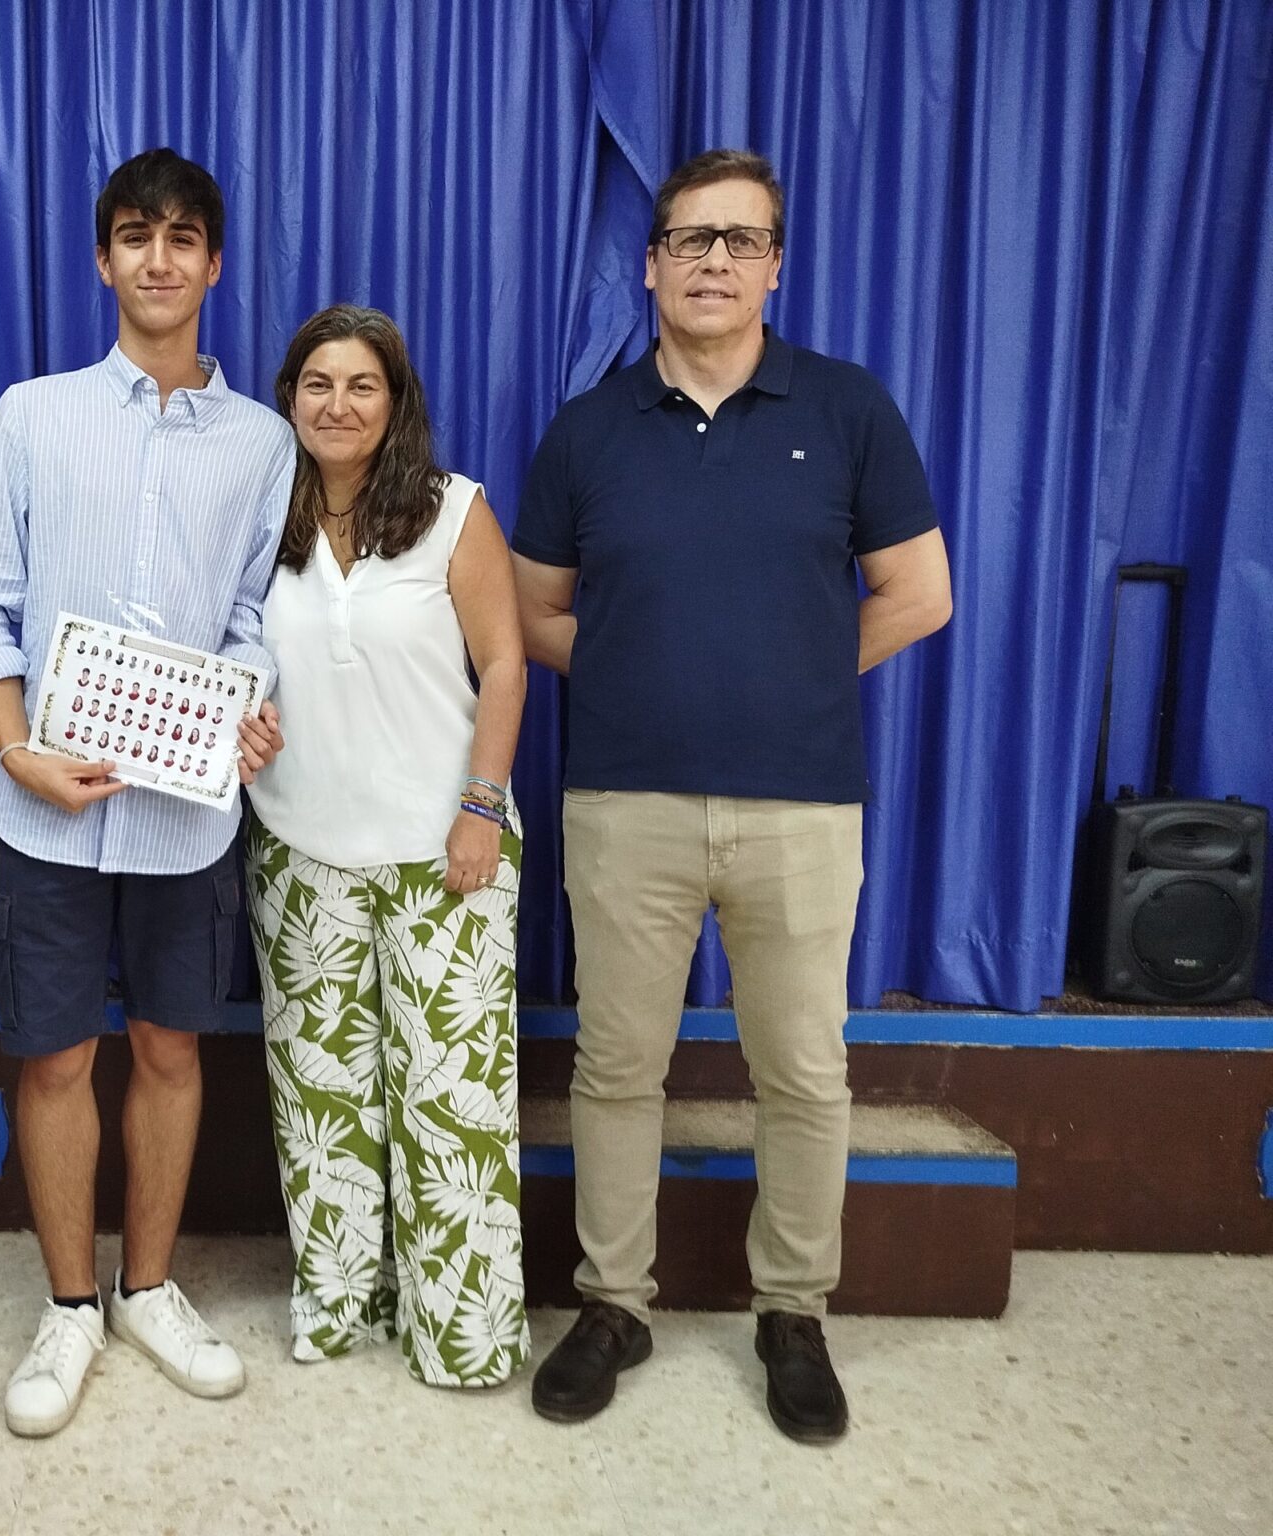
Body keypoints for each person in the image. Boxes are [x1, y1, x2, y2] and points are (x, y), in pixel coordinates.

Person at [512, 149, 953, 1443]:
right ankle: (614, 1304)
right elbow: (532, 612)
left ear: (774, 267)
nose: (713, 261)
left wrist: (796, 669)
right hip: (623, 805)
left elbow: (919, 594)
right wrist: (643, 671)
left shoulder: (847, 409)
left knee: (804, 1070)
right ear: (650, 265)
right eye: (689, 239)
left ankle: (792, 1314)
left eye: (740, 240)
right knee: (616, 1066)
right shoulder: (587, 430)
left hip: (799, 807)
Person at [0, 149, 294, 1438]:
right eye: (135, 235)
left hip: (185, 815)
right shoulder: (31, 416)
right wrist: (14, 745)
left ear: (213, 263)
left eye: (182, 237)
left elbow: (254, 615)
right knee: (53, 1057)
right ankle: (68, 1305)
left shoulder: (261, 442)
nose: (158, 258)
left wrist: (247, 705)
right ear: (102, 260)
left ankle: (147, 1289)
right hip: (41, 806)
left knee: (168, 1048)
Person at [245, 305, 530, 1387]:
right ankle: (338, 1307)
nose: (337, 404)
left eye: (361, 384)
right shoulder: (258, 516)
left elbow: (505, 665)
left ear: (395, 400)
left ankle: (462, 1335)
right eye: (316, 384)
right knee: (322, 1101)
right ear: (288, 399)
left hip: (442, 849)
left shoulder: (454, 511)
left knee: (452, 1106)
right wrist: (238, 722)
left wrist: (481, 806)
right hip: (298, 850)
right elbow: (230, 657)